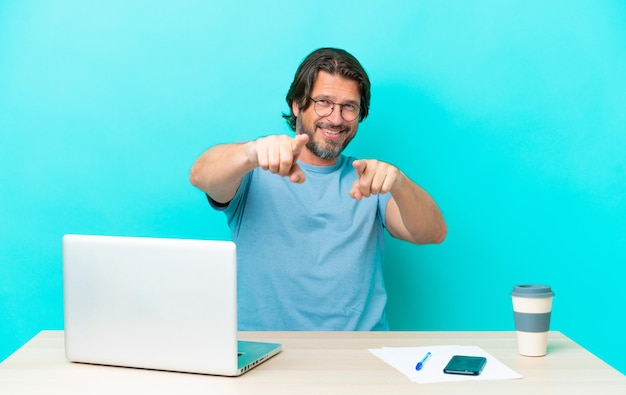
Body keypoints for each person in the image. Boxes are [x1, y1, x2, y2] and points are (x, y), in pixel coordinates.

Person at [190, 48, 447, 331]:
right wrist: (250, 153)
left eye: (349, 107)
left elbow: (433, 232)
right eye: (324, 102)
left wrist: (399, 182)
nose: (336, 119)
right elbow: (201, 174)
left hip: (358, 356)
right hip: (266, 352)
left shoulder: (370, 179)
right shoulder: (253, 166)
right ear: (297, 105)